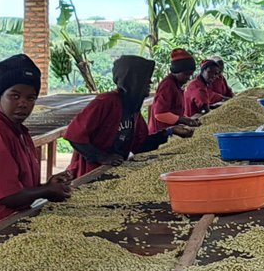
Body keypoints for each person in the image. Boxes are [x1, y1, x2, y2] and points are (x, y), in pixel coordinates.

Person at [0, 52, 72, 237]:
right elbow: (8, 196)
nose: (23, 104)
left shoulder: (19, 131)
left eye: (31, 98)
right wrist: (47, 191)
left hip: (12, 225)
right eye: (15, 95)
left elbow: (20, 187)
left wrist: (48, 185)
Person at [62, 54, 193, 178]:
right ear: (133, 82)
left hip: (114, 169)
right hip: (90, 171)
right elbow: (73, 135)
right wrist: (102, 157)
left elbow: (139, 145)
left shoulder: (133, 108)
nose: (150, 83)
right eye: (146, 80)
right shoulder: (105, 102)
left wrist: (169, 132)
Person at [150, 49, 195, 133]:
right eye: (186, 74)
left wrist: (187, 119)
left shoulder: (176, 85)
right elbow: (160, 114)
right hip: (161, 134)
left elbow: (175, 110)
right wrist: (182, 120)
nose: (188, 78)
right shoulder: (167, 85)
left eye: (190, 75)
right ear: (177, 71)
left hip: (173, 131)